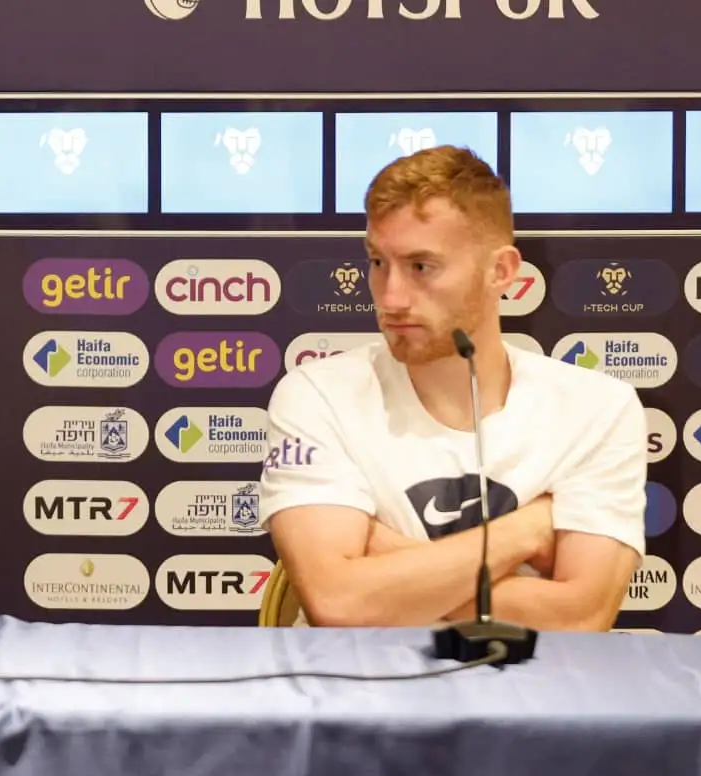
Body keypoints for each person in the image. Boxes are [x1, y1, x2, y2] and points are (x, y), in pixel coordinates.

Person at [257, 145, 645, 631]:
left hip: (531, 698)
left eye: (422, 266)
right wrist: (523, 531)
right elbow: (337, 602)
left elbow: (581, 617)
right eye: (378, 263)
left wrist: (387, 566)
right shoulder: (318, 395)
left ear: (500, 271)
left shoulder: (597, 409)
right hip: (361, 697)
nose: (392, 297)